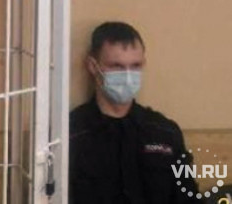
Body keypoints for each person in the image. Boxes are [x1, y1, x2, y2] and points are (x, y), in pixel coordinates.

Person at [69, 21, 199, 204]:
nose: (128, 75)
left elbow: (188, 198)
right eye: (117, 66)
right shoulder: (71, 134)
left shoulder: (165, 133)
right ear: (92, 65)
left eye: (135, 65)